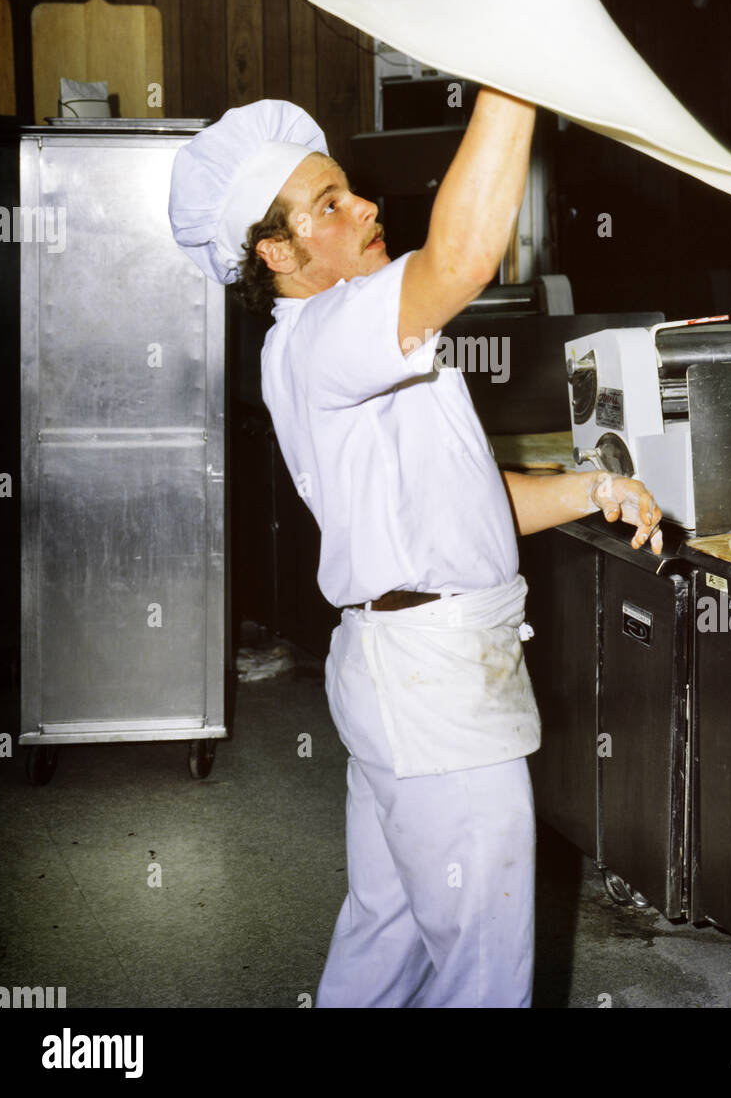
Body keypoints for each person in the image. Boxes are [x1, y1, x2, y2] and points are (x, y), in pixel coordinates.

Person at [169, 90, 663, 1009]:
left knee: (388, 932)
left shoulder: (351, 335)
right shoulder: (325, 333)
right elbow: (466, 255)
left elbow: (464, 506)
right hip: (432, 688)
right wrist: (514, 82)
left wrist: (594, 488)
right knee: (485, 964)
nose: (363, 210)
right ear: (276, 254)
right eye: (329, 205)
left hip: (402, 668)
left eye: (349, 191)